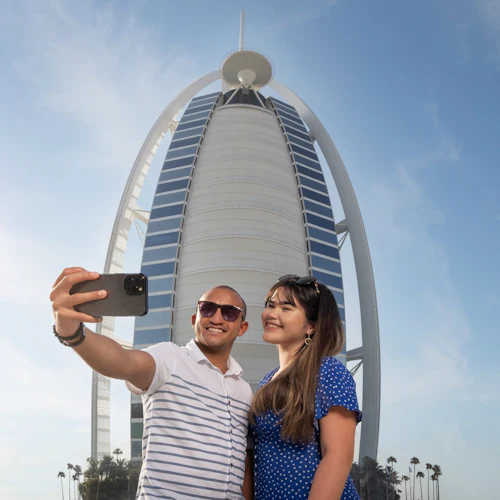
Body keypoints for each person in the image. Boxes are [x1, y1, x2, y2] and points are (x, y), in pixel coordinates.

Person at [50, 267, 254, 500]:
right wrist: (71, 331)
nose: (216, 318)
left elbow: (244, 461)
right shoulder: (170, 359)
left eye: (229, 313)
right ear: (194, 319)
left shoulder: (244, 391)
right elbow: (121, 361)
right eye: (207, 309)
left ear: (242, 328)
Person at [249, 275, 361, 500]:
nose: (271, 314)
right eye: (270, 305)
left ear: (311, 326)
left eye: (286, 308)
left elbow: (337, 456)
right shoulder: (266, 380)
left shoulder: (328, 371)